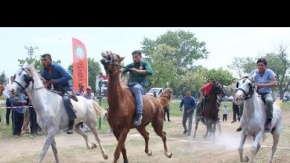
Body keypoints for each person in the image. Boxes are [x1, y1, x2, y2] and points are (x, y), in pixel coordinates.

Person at [236, 58, 278, 132]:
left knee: (269, 101)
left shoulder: (269, 72)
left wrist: (261, 85)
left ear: (265, 66)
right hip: (255, 93)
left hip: (266, 93)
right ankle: (241, 121)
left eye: (262, 65)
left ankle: (269, 121)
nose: (260, 66)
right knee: (242, 102)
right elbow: (247, 79)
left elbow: (275, 83)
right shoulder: (254, 72)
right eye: (259, 65)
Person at [40, 53, 76, 134]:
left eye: (45, 60)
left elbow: (69, 76)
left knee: (66, 100)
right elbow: (45, 84)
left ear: (50, 60)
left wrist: (56, 81)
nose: (43, 62)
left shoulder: (57, 67)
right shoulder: (44, 72)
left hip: (66, 90)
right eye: (42, 60)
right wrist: (46, 85)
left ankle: (72, 122)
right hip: (55, 91)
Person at [122, 50, 153, 126]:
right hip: (130, 86)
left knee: (136, 88)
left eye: (136, 57)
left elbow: (150, 72)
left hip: (141, 85)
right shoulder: (130, 65)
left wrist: (137, 71)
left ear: (140, 56)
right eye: (133, 57)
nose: (134, 59)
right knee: (120, 91)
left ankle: (139, 114)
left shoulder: (145, 63)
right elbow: (122, 71)